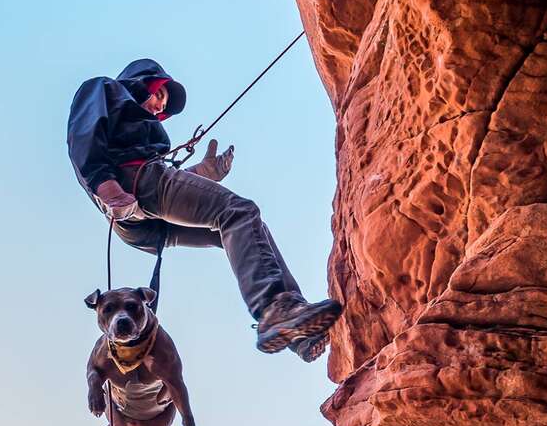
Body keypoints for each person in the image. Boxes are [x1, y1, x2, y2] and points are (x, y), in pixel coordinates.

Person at [67, 59, 342, 361]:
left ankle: (297, 332)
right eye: (159, 95)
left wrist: (203, 171)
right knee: (238, 212)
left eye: (163, 105)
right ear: (143, 81)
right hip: (132, 185)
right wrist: (106, 187)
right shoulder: (105, 88)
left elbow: (167, 190)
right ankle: (275, 308)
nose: (159, 108)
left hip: (139, 219)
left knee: (244, 230)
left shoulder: (141, 130)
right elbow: (84, 136)